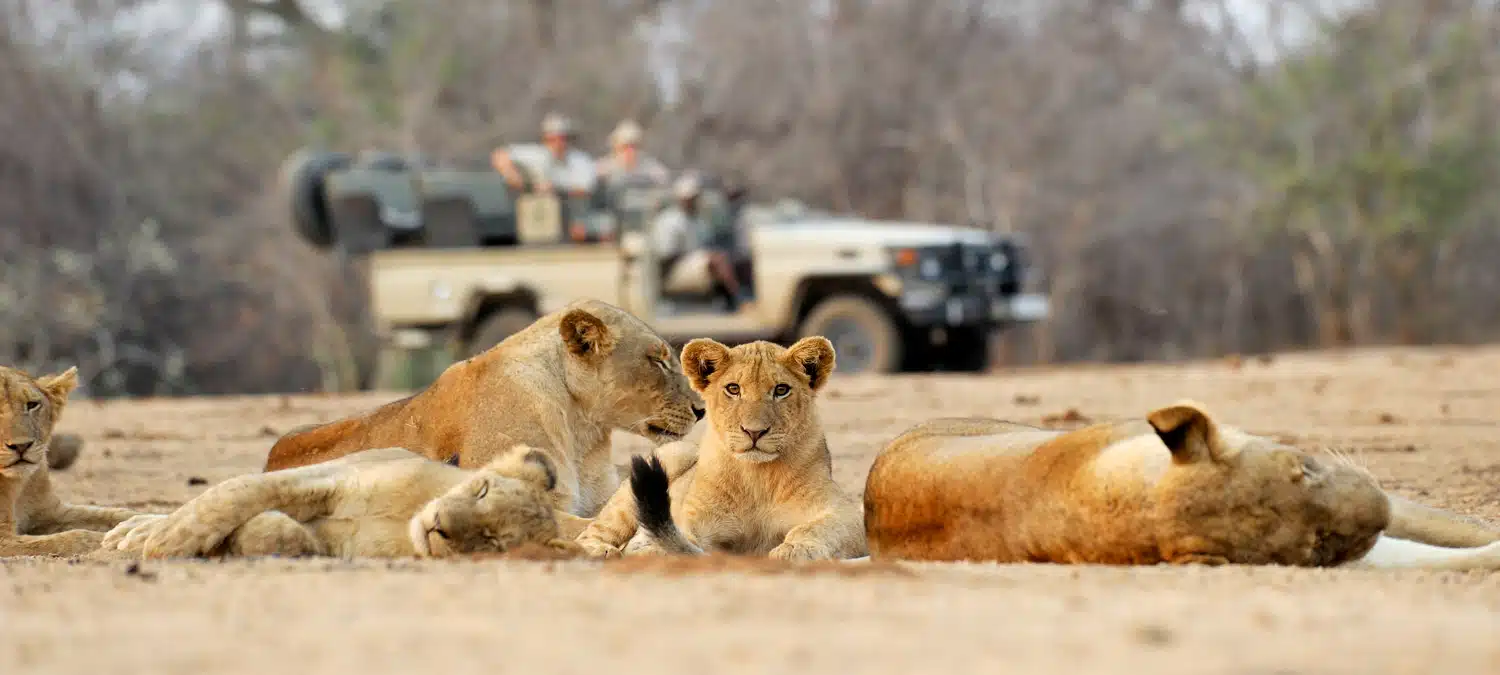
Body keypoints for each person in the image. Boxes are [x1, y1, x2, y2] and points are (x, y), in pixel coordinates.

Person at [653, 173, 746, 311]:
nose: (693, 201)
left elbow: (708, 242)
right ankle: (739, 298)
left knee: (737, 258)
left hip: (696, 262)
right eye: (690, 198)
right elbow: (666, 256)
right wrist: (701, 256)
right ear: (681, 198)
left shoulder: (699, 219)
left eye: (695, 197)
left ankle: (731, 302)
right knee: (717, 259)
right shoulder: (669, 220)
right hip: (673, 269)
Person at [490, 112, 596, 198]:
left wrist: (555, 190)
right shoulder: (536, 154)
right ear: (545, 139)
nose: (558, 143)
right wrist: (513, 177)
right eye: (552, 139)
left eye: (563, 138)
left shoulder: (581, 160)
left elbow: (585, 190)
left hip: (571, 207)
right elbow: (500, 155)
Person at [595, 119, 671, 191]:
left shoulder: (650, 167)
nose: (630, 151)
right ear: (616, 147)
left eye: (634, 146)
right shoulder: (603, 167)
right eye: (625, 146)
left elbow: (663, 178)